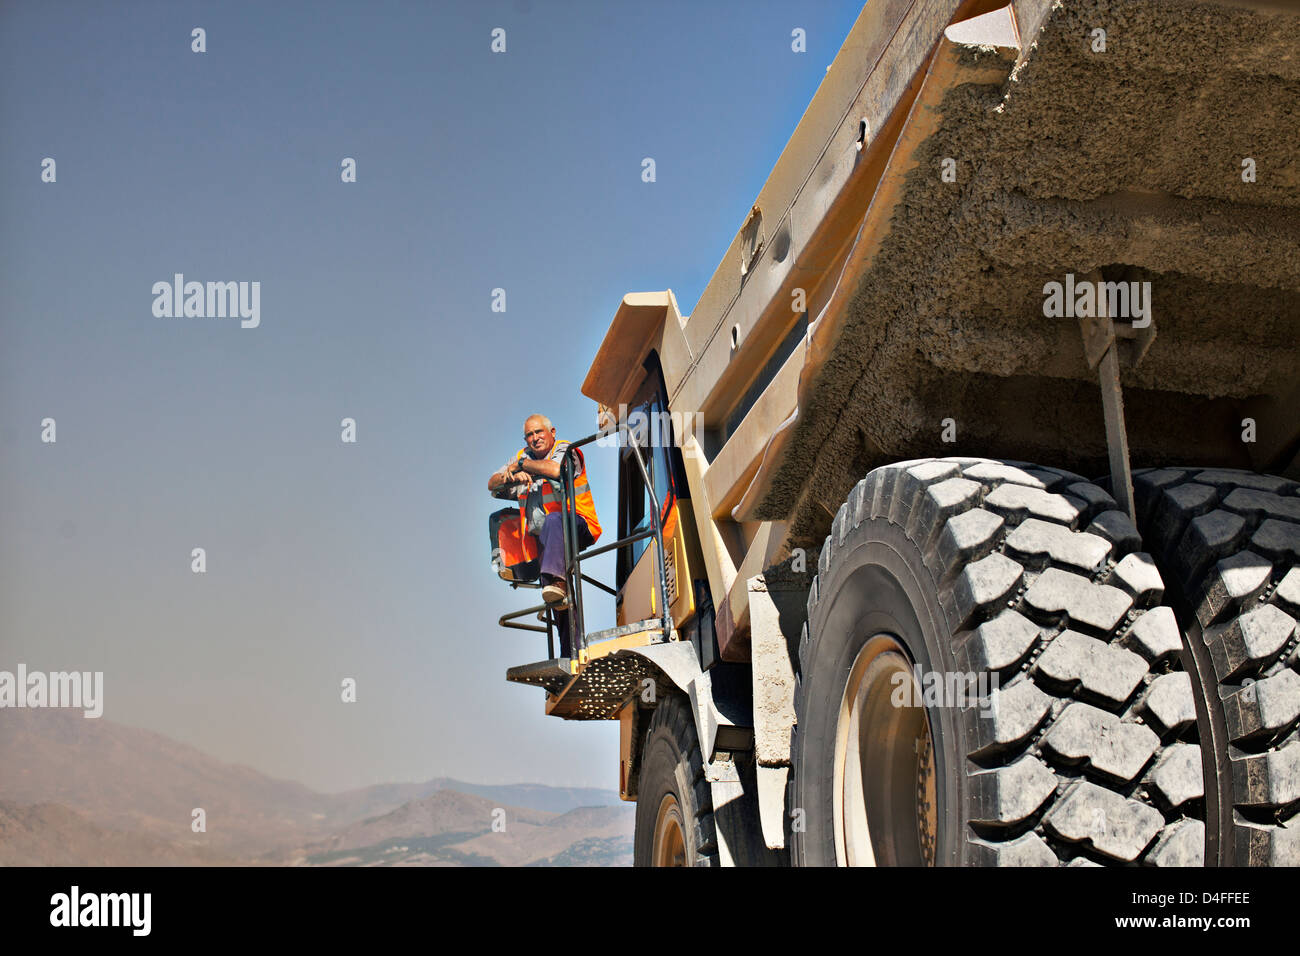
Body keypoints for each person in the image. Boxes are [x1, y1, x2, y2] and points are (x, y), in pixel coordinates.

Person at [488, 414, 601, 607]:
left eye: (539, 431)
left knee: (554, 520)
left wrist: (523, 466)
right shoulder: (520, 457)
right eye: (529, 435)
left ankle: (556, 581)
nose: (535, 437)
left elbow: (555, 470)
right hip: (544, 538)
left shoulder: (565, 449)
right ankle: (566, 629)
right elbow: (492, 483)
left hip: (578, 525)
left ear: (552, 432)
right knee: (555, 598)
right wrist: (514, 477)